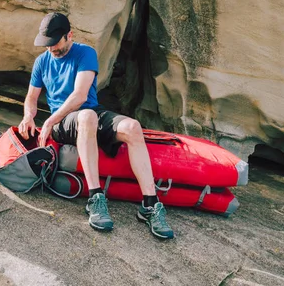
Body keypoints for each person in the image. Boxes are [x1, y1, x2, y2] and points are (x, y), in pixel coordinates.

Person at [19, 13, 174, 239]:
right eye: (47, 44)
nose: (50, 48)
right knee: (87, 117)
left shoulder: (85, 53)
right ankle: (95, 197)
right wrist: (28, 116)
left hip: (85, 112)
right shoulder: (42, 61)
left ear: (69, 35)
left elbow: (80, 95)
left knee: (132, 126)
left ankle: (150, 205)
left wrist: (49, 121)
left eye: (55, 42)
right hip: (65, 121)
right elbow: (31, 98)